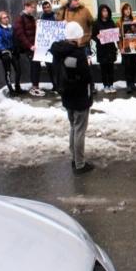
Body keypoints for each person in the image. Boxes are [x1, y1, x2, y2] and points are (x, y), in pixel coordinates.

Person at [50, 22, 94, 175]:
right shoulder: (77, 54)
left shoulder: (58, 51)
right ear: (77, 36)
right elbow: (85, 76)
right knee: (80, 129)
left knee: (73, 127)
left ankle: (74, 159)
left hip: (66, 94)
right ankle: (80, 164)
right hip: (80, 95)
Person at [14, 1, 44, 97]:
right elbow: (21, 34)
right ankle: (34, 87)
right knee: (35, 66)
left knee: (36, 66)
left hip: (34, 46)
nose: (33, 9)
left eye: (34, 8)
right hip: (29, 47)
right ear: (26, 7)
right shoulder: (20, 18)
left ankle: (35, 86)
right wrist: (29, 46)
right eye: (32, 7)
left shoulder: (30, 18)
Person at [0, 11, 22, 96]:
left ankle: (17, 87)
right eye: (4, 18)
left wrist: (16, 48)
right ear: (0, 19)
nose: (6, 19)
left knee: (18, 70)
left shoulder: (11, 27)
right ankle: (11, 89)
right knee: (8, 72)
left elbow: (15, 39)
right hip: (5, 53)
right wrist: (4, 50)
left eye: (7, 17)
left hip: (13, 52)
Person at [92, 4, 118, 94]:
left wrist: (116, 35)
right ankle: (105, 85)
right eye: (103, 11)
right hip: (101, 49)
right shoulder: (96, 23)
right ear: (100, 12)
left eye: (106, 11)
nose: (105, 13)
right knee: (103, 69)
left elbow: (115, 33)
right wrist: (97, 37)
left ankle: (111, 84)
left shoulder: (111, 22)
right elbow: (93, 35)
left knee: (111, 68)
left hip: (110, 48)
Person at [116, 2, 136, 93]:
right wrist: (120, 47)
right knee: (127, 66)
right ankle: (128, 84)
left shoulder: (135, 19)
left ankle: (133, 83)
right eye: (126, 9)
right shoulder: (119, 22)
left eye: (129, 9)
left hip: (134, 45)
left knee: (133, 65)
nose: (128, 11)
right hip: (125, 46)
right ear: (122, 11)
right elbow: (118, 37)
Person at [40, 0, 58, 91]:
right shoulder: (41, 18)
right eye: (44, 8)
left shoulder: (56, 16)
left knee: (56, 67)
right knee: (49, 67)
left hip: (56, 46)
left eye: (48, 7)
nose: (46, 9)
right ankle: (54, 85)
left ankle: (58, 84)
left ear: (51, 7)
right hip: (46, 46)